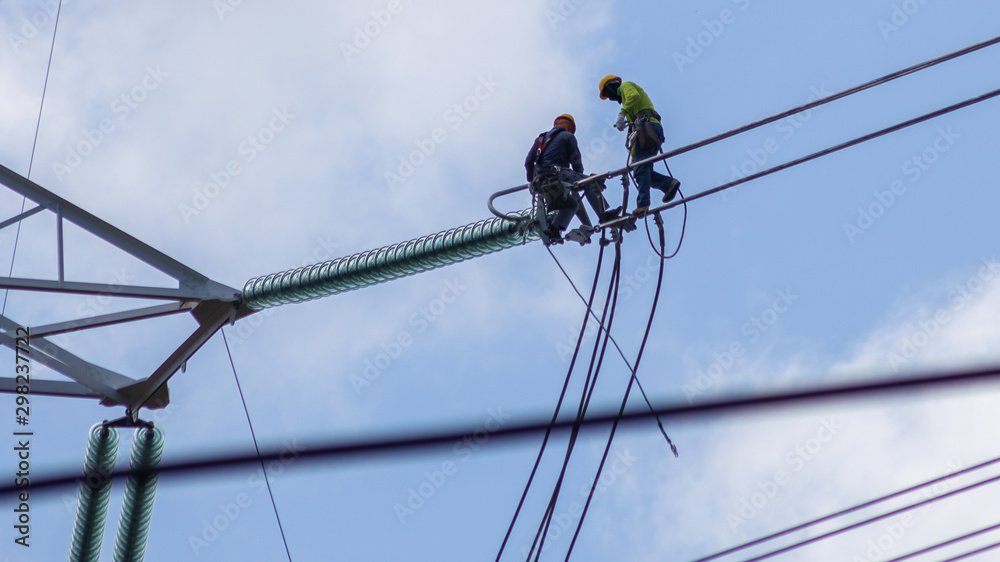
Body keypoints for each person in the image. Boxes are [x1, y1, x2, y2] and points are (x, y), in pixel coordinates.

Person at [524, 114, 620, 241]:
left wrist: (531, 181)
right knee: (590, 182)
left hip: (540, 182)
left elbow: (528, 162)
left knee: (572, 205)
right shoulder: (568, 136)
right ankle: (604, 216)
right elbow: (576, 161)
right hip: (558, 175)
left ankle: (554, 229)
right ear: (570, 127)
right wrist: (580, 177)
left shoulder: (540, 140)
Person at [598, 75, 681, 216]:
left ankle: (643, 204)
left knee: (642, 166)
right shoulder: (630, 109)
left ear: (611, 86)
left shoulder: (625, 86)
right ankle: (668, 184)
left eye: (608, 94)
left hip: (648, 127)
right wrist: (633, 158)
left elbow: (634, 96)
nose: (611, 98)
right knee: (640, 169)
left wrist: (622, 113)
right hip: (647, 129)